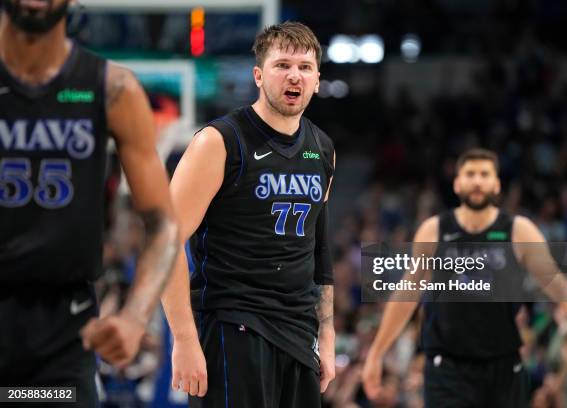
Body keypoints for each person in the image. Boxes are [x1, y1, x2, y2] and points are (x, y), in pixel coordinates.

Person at [0, 1, 179, 406]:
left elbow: (164, 222)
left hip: (63, 328)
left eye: (305, 67)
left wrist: (135, 317)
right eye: (285, 64)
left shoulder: (112, 89)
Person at [161, 21, 336, 408]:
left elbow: (319, 249)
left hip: (298, 330)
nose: (294, 75)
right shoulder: (219, 141)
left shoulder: (322, 148)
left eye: (305, 67)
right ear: (259, 75)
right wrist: (184, 340)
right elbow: (165, 243)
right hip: (232, 326)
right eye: (282, 65)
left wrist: (327, 334)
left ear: (318, 80)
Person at [362, 148, 567, 408]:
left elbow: (553, 280)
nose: (477, 181)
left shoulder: (518, 230)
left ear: (496, 184)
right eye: (470, 174)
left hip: (503, 367)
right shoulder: (434, 231)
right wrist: (377, 352)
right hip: (447, 368)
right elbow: (407, 295)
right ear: (457, 183)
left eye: (484, 174)